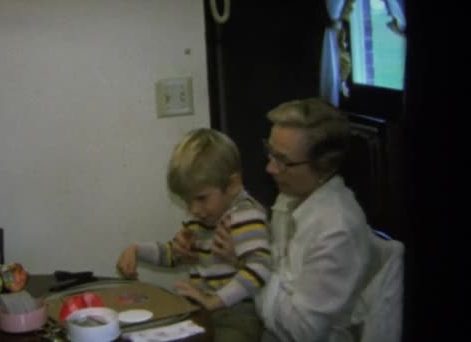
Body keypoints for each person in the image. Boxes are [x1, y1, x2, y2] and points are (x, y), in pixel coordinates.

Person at [175, 98, 382, 341]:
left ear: (323, 166)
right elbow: (272, 258)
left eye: (283, 160)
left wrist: (248, 266)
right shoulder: (291, 196)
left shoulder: (336, 230)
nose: (270, 168)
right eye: (270, 153)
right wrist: (203, 246)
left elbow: (303, 331)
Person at [116, 127, 272, 341]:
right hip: (203, 311)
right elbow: (173, 254)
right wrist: (137, 250)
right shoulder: (201, 218)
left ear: (233, 185)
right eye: (188, 201)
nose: (194, 210)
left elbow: (260, 269)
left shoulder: (245, 216)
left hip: (236, 317)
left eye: (201, 198)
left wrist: (214, 301)